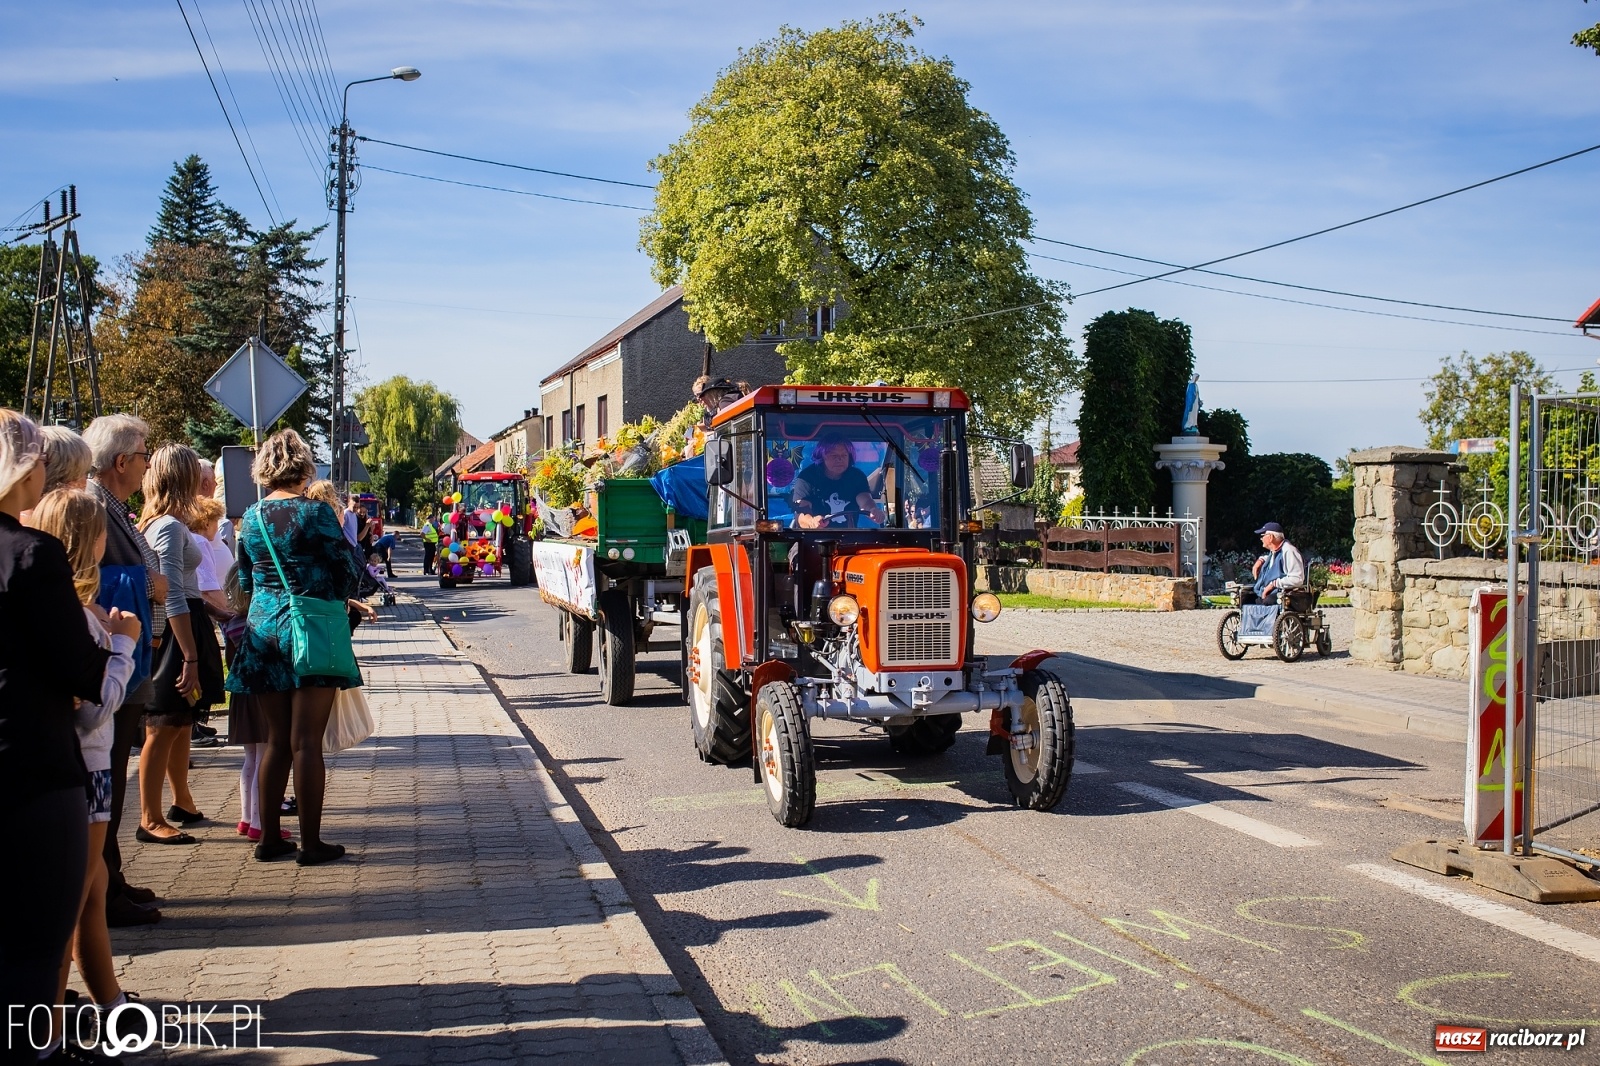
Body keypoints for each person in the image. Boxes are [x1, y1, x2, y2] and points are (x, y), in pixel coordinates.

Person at [0, 410, 117, 1062]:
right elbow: (82, 671)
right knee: (36, 942)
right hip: (33, 768)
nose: (46, 470)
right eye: (39, 457)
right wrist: (117, 644)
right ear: (20, 466)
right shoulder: (30, 554)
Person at [28, 489, 141, 1046]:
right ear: (90, 542)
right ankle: (46, 1027)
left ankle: (111, 1004)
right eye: (102, 533)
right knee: (75, 899)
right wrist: (123, 648)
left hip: (84, 770)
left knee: (91, 890)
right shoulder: (83, 621)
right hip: (89, 769)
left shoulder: (71, 611)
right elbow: (95, 706)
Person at [230, 430, 364, 865]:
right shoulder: (316, 513)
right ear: (304, 467)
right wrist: (330, 597)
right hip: (309, 631)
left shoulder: (249, 517)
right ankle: (311, 844)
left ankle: (269, 839)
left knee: (276, 742)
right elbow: (347, 570)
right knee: (306, 741)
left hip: (263, 633)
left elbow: (245, 581)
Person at [83, 413, 166, 926]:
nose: (146, 466)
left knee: (113, 777)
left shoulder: (112, 504)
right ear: (120, 461)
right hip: (114, 647)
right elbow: (93, 574)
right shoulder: (94, 504)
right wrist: (150, 581)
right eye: (142, 457)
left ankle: (112, 879)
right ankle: (104, 891)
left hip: (127, 652)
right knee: (107, 775)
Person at [137, 443, 221, 844]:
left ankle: (182, 801)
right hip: (177, 629)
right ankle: (149, 817)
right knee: (163, 722)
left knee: (182, 719)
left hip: (188, 620)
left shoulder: (166, 522)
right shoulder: (168, 527)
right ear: (184, 477)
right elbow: (170, 591)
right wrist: (189, 654)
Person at [790, 435, 887, 529]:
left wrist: (873, 510)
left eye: (844, 455)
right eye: (834, 455)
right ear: (822, 457)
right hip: (815, 538)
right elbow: (801, 513)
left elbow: (865, 501)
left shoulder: (857, 476)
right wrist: (812, 522)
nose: (839, 459)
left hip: (850, 538)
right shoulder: (807, 477)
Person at [1251, 521, 1306, 605]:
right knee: (1247, 598)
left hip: (1286, 593)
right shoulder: (1275, 551)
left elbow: (1297, 579)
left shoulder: (1289, 551)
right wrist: (1260, 560)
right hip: (1273, 591)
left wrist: (1273, 584)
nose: (1261, 539)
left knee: (1265, 601)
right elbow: (1274, 560)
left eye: (1262, 536)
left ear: (1270, 537)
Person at [420, 508, 440, 575]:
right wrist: (426, 539)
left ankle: (429, 570)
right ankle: (427, 570)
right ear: (430, 519)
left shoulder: (430, 525)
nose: (434, 520)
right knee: (428, 557)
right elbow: (422, 534)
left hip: (431, 543)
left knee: (431, 557)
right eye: (433, 518)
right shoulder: (427, 525)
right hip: (428, 543)